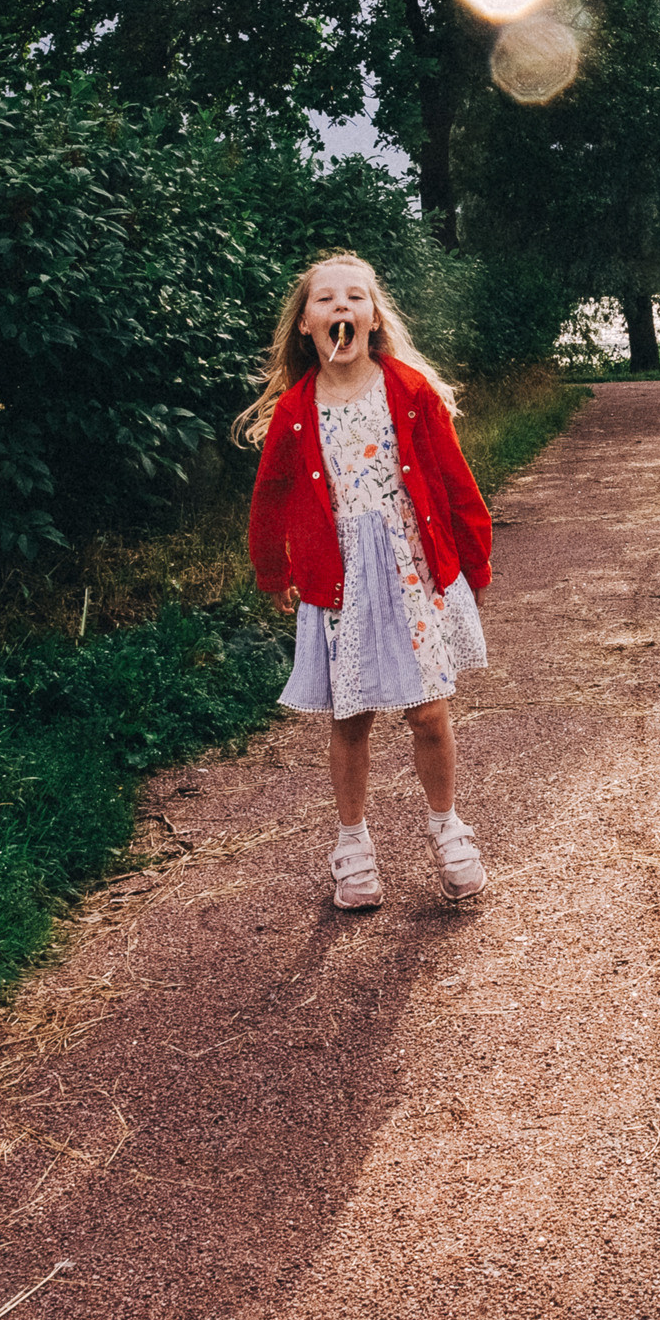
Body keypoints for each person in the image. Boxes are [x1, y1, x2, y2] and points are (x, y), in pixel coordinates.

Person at [239, 253, 494, 909]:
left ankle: (447, 829)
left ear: (374, 318)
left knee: (428, 711)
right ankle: (352, 846)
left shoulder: (408, 390)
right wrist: (273, 567)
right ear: (306, 325)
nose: (341, 309)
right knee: (350, 717)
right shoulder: (297, 411)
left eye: (356, 298)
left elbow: (455, 479)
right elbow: (268, 497)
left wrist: (474, 557)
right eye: (326, 301)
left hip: (410, 572)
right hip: (340, 580)